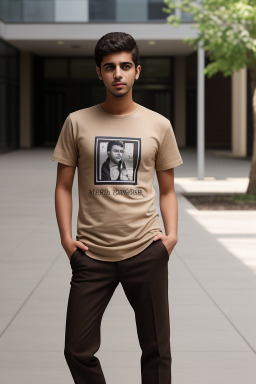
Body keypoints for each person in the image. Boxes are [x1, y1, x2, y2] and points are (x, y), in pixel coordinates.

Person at [51, 31, 183, 384]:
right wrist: (67, 241)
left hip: (145, 250)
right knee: (76, 350)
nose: (118, 74)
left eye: (125, 66)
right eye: (110, 68)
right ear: (99, 73)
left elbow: (167, 190)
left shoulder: (158, 125)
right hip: (91, 254)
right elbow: (63, 186)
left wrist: (170, 239)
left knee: (157, 351)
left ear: (137, 71)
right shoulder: (77, 122)